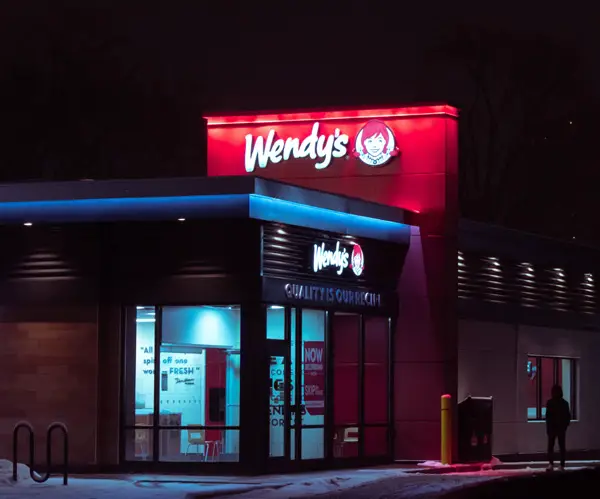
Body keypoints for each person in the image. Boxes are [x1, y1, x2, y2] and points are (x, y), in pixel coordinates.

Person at [545, 384, 571, 471]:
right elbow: (568, 417)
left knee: (551, 447)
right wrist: (565, 426)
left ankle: (551, 464)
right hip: (560, 428)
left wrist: (548, 429)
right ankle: (561, 465)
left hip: (554, 428)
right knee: (561, 447)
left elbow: (548, 417)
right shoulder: (565, 403)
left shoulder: (550, 403)